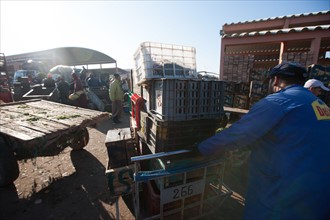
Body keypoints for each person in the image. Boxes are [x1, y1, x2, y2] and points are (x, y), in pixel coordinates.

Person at [197, 62, 330, 220]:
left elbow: (239, 134)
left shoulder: (278, 102)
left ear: (275, 80)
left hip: (283, 194)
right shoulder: (321, 105)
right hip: (319, 194)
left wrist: (201, 149)